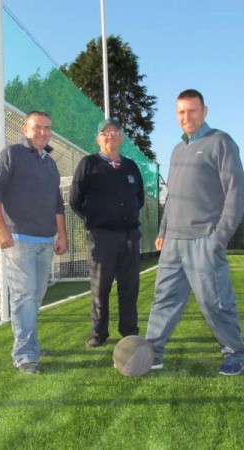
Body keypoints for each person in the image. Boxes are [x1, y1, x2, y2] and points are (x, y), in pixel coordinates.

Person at [146, 89, 244, 376]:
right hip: (173, 243)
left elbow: (236, 192)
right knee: (164, 300)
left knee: (215, 302)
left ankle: (236, 353)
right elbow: (174, 196)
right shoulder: (178, 149)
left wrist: (220, 236)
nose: (186, 117)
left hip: (204, 238)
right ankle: (151, 352)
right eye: (181, 112)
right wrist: (164, 230)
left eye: (192, 110)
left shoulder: (221, 142)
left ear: (205, 111)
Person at [0, 110, 67, 375]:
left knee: (36, 295)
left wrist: (61, 234)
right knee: (24, 295)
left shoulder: (50, 163)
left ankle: (31, 344)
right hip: (19, 240)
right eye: (37, 127)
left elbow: (57, 202)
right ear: (25, 129)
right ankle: (25, 355)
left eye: (47, 128)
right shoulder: (11, 154)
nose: (43, 132)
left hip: (45, 241)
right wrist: (0, 228)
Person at [70, 119, 144, 347]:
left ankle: (129, 331)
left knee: (130, 288)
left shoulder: (131, 166)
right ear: (98, 139)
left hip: (130, 237)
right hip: (102, 239)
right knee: (100, 289)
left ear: (122, 138)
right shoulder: (88, 164)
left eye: (115, 132)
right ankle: (98, 333)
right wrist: (96, 221)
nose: (110, 136)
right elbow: (75, 200)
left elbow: (138, 199)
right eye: (105, 133)